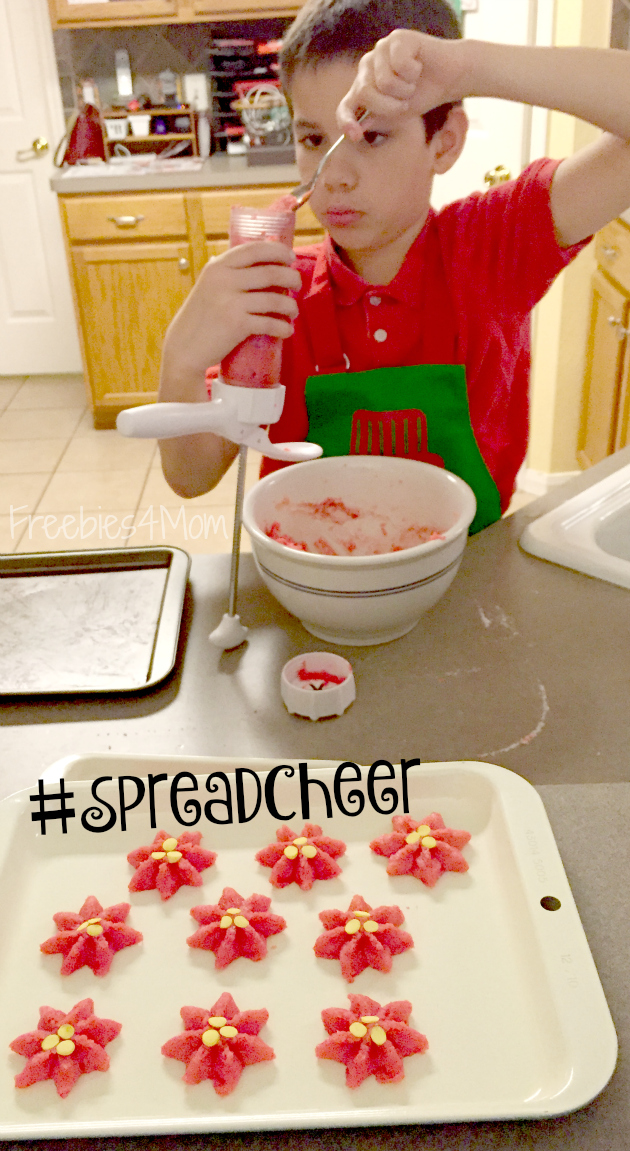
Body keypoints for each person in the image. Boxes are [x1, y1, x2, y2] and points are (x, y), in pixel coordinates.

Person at [158, 0, 630, 532]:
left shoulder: (494, 248)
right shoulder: (277, 296)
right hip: (314, 572)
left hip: (463, 569)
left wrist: (470, 66)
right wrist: (181, 359)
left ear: (444, 143)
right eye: (313, 139)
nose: (334, 176)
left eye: (373, 135)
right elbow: (191, 476)